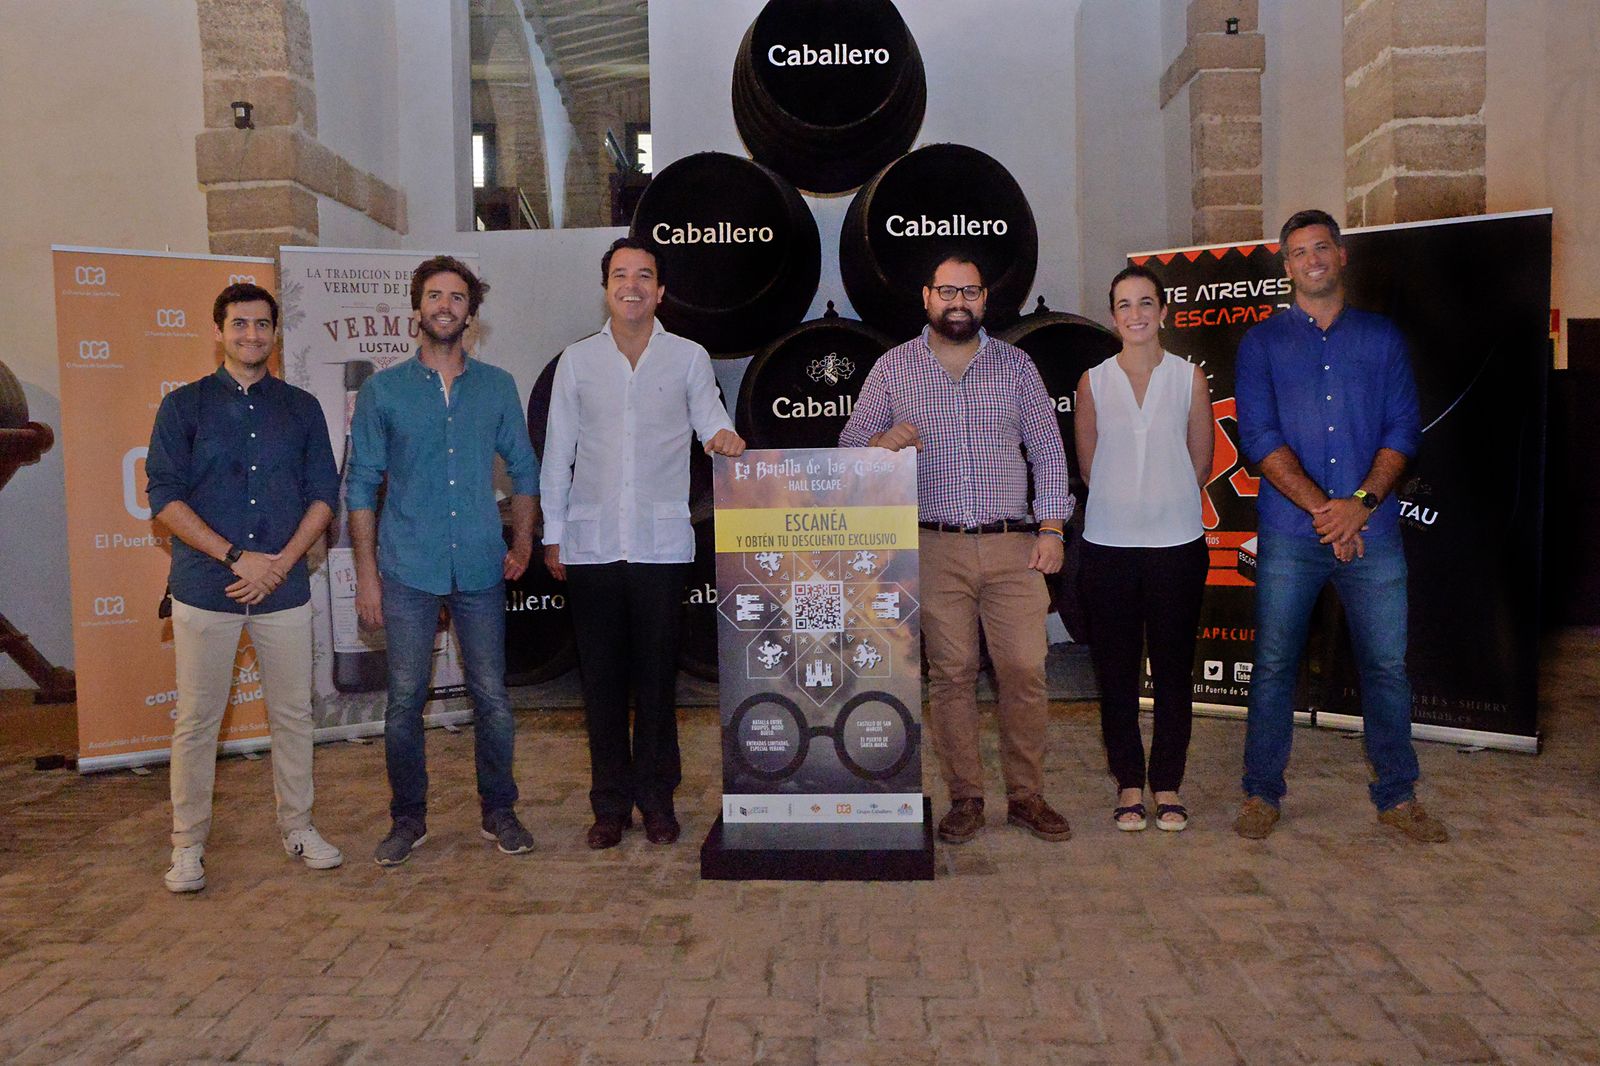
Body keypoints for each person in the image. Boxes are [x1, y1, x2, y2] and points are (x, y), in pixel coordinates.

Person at [840, 253, 1073, 844]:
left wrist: (1052, 529)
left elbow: (1047, 451)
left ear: (985, 300)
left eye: (970, 291)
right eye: (948, 291)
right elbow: (848, 447)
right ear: (926, 297)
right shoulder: (893, 368)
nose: (959, 302)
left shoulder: (1017, 366)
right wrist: (879, 440)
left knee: (1024, 670)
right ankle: (967, 797)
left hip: (1014, 546)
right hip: (933, 544)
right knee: (951, 675)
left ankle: (1026, 796)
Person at [1232, 209, 1447, 843]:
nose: (1312, 260)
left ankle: (1397, 796)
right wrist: (1328, 511)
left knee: (1386, 668)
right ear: (1287, 264)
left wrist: (1361, 503)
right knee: (1272, 665)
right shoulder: (1262, 344)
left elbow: (1402, 430)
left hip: (1372, 534)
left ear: (1341, 255)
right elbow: (1259, 439)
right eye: (1298, 252)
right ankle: (1261, 794)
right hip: (1292, 538)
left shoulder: (1381, 339)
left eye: (1321, 247)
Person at [541, 237, 745, 849]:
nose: (632, 286)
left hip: (660, 549)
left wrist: (726, 439)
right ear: (606, 287)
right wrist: (555, 536)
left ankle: (657, 801)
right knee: (600, 682)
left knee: (658, 682)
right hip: (593, 546)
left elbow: (711, 419)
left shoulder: (687, 357)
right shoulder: (577, 362)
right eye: (620, 275)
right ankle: (609, 806)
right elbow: (558, 456)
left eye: (644, 276)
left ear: (661, 290)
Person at [146, 283, 342, 892]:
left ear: (275, 333)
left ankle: (299, 826)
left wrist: (278, 564)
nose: (251, 335)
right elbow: (164, 499)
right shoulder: (183, 408)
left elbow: (323, 497)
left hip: (283, 589)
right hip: (205, 588)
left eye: (262, 325)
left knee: (292, 715)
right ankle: (187, 846)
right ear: (218, 331)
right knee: (198, 722)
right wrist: (236, 557)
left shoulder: (302, 408)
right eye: (239, 324)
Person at [347, 255, 541, 865]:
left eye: (457, 297)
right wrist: (367, 578)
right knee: (404, 702)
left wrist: (524, 542)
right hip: (406, 568)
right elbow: (360, 487)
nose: (445, 305)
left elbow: (526, 468)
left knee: (493, 699)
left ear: (470, 314)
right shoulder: (383, 391)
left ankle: (499, 811)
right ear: (417, 309)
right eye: (435, 295)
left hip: (481, 567)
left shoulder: (498, 386)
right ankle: (408, 820)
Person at [1074, 265, 1212, 833]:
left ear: (1162, 311)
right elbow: (1087, 467)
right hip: (1108, 547)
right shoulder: (1093, 381)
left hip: (1176, 544)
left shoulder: (1189, 379)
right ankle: (1130, 782)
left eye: (1145, 302)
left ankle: (1168, 783)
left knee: (1175, 670)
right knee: (1116, 672)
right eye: (1124, 304)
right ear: (1113, 316)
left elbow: (1200, 464)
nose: (1135, 314)